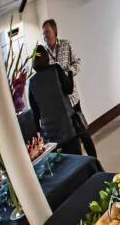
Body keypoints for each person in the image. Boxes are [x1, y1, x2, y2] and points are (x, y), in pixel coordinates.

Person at [41, 19, 97, 157]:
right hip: (60, 104)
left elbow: (77, 62)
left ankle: (94, 160)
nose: (45, 35)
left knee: (83, 132)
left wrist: (70, 73)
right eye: (43, 33)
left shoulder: (66, 45)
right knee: (71, 138)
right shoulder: (44, 54)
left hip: (72, 99)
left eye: (47, 32)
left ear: (55, 31)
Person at [28, 46, 83, 155]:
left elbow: (35, 113)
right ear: (46, 57)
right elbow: (69, 89)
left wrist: (41, 134)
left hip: (51, 137)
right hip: (68, 130)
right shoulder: (55, 69)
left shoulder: (32, 82)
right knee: (78, 159)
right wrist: (70, 72)